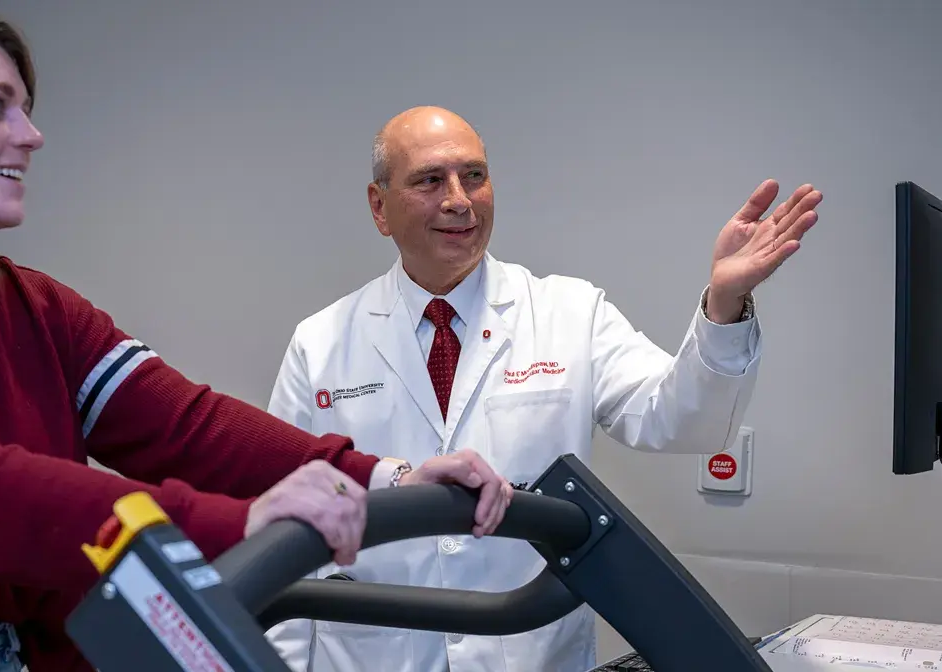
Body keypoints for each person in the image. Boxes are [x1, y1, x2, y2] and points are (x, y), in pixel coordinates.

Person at [0, 13, 514, 672]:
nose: (32, 134)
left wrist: (385, 478)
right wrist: (238, 524)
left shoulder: (29, 305)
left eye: (26, 107)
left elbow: (183, 427)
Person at [264, 105, 822, 672]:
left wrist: (724, 305)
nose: (459, 199)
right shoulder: (321, 342)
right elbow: (287, 533)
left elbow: (681, 420)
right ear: (379, 207)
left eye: (474, 176)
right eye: (431, 180)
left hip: (528, 655)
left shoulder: (569, 313)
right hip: (372, 657)